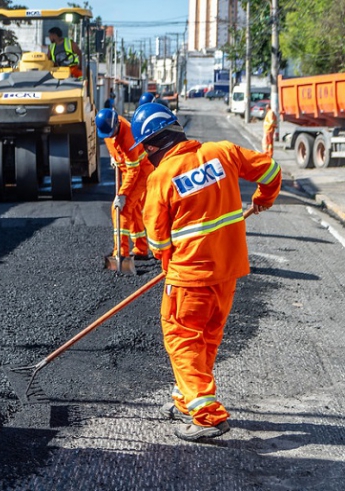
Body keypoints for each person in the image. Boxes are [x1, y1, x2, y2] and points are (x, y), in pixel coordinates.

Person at [133, 103, 281, 441]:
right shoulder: (222, 151)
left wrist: (170, 263)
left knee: (183, 339)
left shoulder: (161, 178)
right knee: (206, 339)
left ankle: (208, 416)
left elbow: (156, 241)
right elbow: (270, 170)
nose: (144, 155)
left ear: (153, 145)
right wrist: (264, 198)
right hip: (226, 274)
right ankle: (188, 399)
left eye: (144, 149)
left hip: (190, 277)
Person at [95, 108, 153, 259]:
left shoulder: (128, 137)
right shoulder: (108, 127)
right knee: (133, 209)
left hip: (141, 172)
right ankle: (141, 249)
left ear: (117, 125)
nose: (110, 136)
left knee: (122, 209)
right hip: (127, 170)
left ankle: (121, 252)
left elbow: (134, 171)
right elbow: (111, 145)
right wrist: (114, 158)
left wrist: (122, 194)